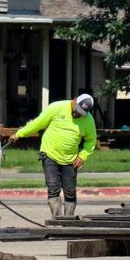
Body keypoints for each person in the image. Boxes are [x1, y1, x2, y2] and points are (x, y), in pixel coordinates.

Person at [12, 91, 97, 219]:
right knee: (53, 188)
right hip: (50, 154)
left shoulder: (88, 120)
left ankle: (68, 221)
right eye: (77, 110)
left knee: (70, 191)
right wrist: (19, 134)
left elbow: (91, 140)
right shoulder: (56, 107)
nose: (77, 114)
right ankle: (56, 219)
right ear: (74, 100)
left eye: (81, 113)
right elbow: (37, 123)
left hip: (71, 159)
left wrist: (83, 156)